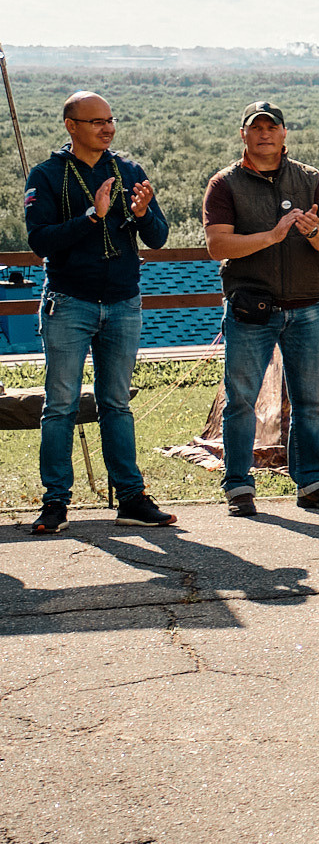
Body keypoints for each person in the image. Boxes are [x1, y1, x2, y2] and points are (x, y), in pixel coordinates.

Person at [24, 90, 175, 533]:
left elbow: (160, 237)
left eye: (110, 120)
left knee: (116, 403)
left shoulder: (127, 171)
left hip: (124, 304)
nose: (106, 128)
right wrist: (93, 215)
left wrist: (144, 213)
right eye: (95, 122)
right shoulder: (48, 175)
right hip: (70, 303)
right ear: (71, 126)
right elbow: (40, 242)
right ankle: (55, 503)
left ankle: (130, 498)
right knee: (60, 405)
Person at [199, 101, 319, 518]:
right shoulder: (225, 184)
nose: (265, 133)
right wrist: (272, 236)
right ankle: (239, 486)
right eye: (256, 128)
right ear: (243, 135)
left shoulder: (310, 179)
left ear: (285, 134)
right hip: (252, 310)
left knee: (310, 402)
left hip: (305, 307)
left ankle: (311, 483)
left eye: (272, 127)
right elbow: (218, 246)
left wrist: (313, 230)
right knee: (241, 400)